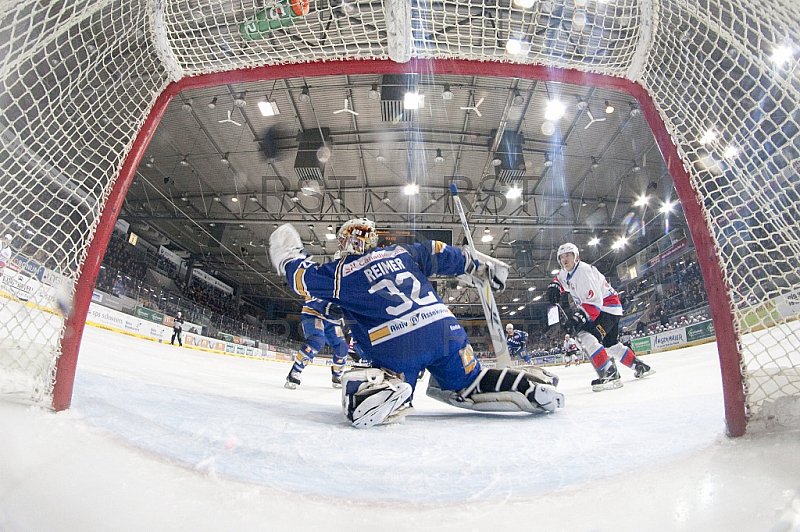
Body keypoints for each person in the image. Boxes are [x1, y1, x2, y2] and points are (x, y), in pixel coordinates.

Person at [270, 218, 563, 428]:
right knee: (469, 383)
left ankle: (385, 390)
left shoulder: (342, 271)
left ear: (345, 242)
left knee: (383, 380)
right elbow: (439, 251)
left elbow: (302, 279)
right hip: (445, 332)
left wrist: (289, 256)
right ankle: (525, 385)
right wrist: (478, 265)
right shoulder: (402, 252)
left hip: (396, 345)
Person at [547, 243, 654, 391]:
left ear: (576, 257)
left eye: (568, 256)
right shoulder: (567, 272)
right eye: (562, 257)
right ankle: (640, 367)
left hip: (606, 309)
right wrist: (554, 286)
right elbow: (559, 279)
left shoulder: (584, 273)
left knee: (586, 336)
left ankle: (609, 374)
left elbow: (594, 303)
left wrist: (578, 318)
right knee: (610, 345)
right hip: (609, 308)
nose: (565, 259)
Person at [285, 298, 349, 389]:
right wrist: (323, 305)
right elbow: (308, 292)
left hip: (333, 321)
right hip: (314, 314)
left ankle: (337, 375)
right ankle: (295, 372)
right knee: (316, 342)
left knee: (342, 348)